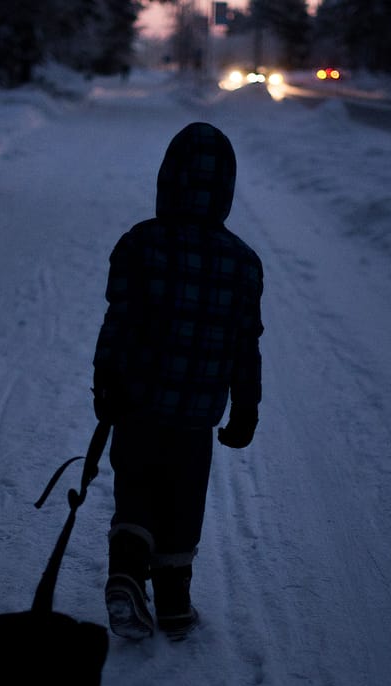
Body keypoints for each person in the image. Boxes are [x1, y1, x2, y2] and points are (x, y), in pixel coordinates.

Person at [91, 121, 264, 640]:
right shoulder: (243, 263)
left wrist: (106, 381)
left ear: (166, 180)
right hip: (196, 414)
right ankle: (172, 603)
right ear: (226, 190)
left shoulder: (139, 243)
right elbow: (245, 345)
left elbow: (117, 320)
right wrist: (246, 408)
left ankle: (125, 572)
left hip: (138, 402)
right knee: (182, 501)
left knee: (137, 488)